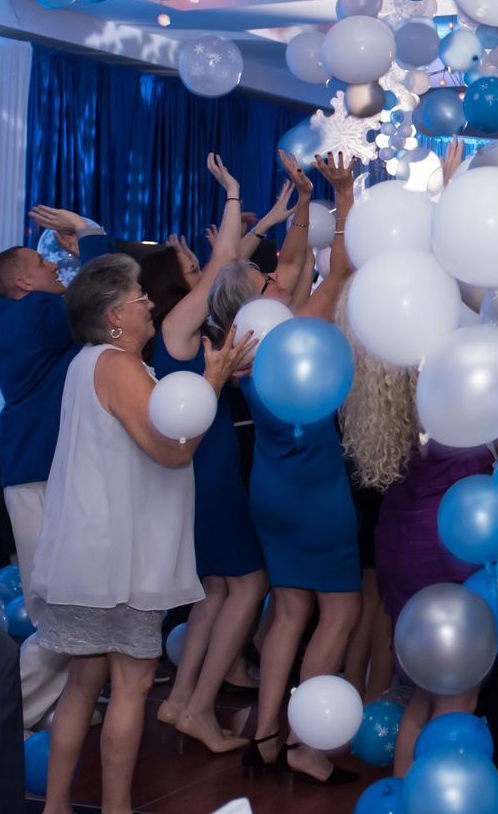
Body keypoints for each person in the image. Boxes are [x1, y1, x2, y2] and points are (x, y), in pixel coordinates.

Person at [32, 252, 254, 814]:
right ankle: (116, 809)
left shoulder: (89, 363)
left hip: (90, 555)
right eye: (139, 298)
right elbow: (172, 453)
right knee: (129, 687)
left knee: (83, 685)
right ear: (113, 315)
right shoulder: (120, 367)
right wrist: (212, 379)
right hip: (119, 562)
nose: (149, 303)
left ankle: (56, 806)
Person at [224, 153, 364, 786]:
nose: (276, 274)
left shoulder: (244, 349)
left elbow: (295, 257)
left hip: (271, 490)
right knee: (338, 614)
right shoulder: (300, 329)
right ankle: (309, 743)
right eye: (265, 278)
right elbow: (344, 264)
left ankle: (266, 736)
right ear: (258, 297)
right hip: (317, 492)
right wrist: (345, 190)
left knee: (286, 612)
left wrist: (306, 201)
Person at [147, 155, 267, 754]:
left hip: (202, 464)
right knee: (248, 586)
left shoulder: (201, 339)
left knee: (217, 591)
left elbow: (231, 265)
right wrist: (233, 191)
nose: (201, 269)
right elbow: (226, 262)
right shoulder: (176, 328)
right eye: (188, 267)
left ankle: (179, 702)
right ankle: (196, 707)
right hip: (208, 468)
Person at [0, 203, 111, 731]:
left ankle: (58, 705)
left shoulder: (5, 318)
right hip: (41, 472)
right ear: (20, 281)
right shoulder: (34, 316)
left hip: (31, 466)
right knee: (59, 607)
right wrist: (91, 232)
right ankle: (1, 718)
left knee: (61, 599)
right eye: (42, 262)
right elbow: (103, 298)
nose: (54, 265)